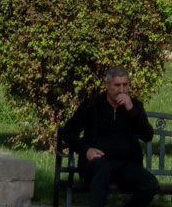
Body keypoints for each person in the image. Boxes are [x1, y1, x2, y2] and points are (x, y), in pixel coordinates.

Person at [61, 66, 158, 207]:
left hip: (126, 165)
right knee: (103, 168)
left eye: (125, 85)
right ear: (107, 85)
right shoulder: (92, 106)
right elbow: (68, 132)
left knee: (151, 185)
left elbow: (147, 136)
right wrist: (85, 150)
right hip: (96, 164)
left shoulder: (134, 106)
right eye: (117, 85)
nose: (122, 90)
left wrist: (132, 110)